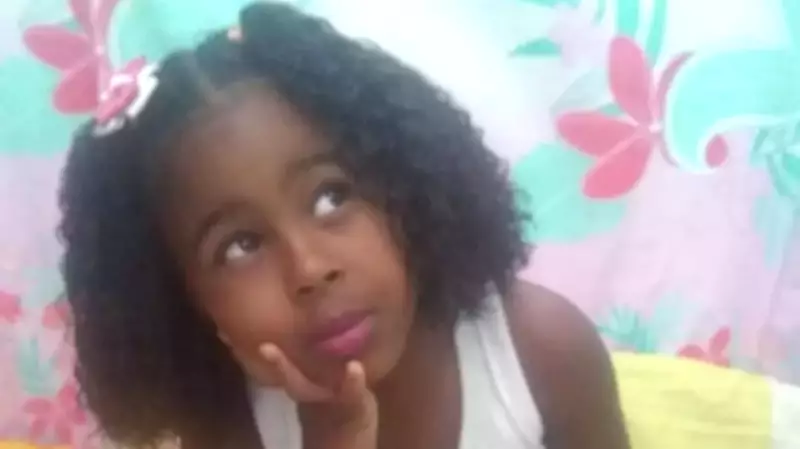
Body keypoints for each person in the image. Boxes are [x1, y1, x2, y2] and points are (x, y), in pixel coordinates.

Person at [59, 2, 629, 449]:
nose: (310, 268)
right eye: (240, 246)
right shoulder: (232, 428)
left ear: (405, 183)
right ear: (187, 304)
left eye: (332, 197)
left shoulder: (541, 352)